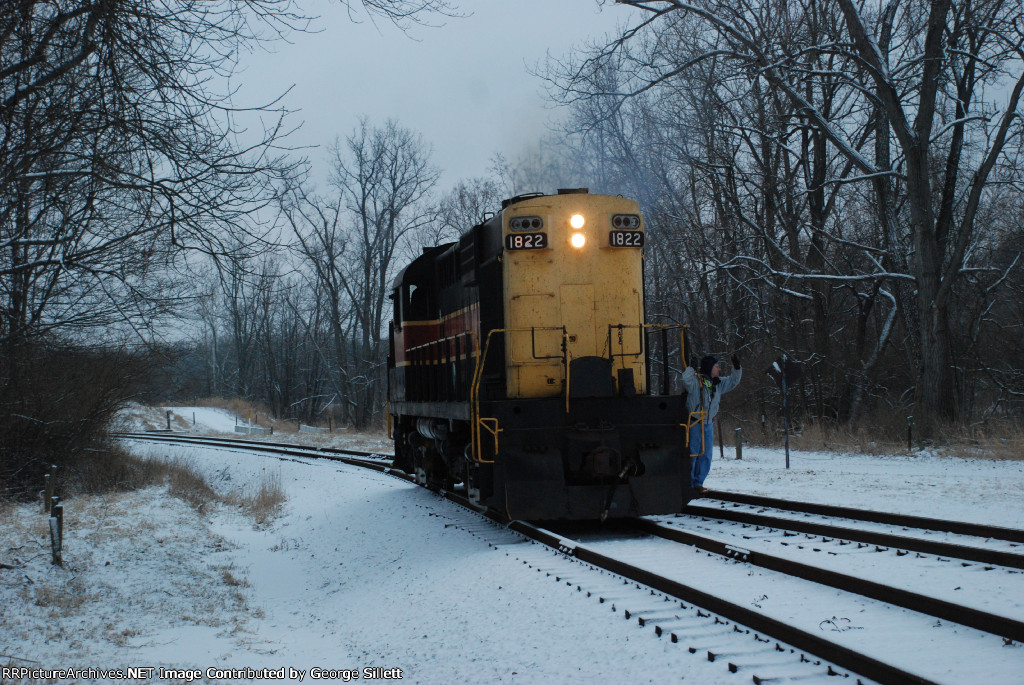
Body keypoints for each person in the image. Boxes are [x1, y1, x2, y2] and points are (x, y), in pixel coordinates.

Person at [681, 353, 742, 494]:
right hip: (695, 423)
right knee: (693, 454)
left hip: (708, 424)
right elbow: (685, 380)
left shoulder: (718, 384)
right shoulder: (696, 382)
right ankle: (688, 483)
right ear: (709, 368)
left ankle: (698, 483)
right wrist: (691, 367)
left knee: (706, 455)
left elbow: (733, 381)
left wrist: (737, 367)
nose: (719, 369)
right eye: (716, 366)